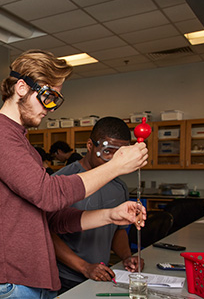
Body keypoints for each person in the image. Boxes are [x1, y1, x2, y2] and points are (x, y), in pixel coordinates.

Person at [0, 49, 148, 298]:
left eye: (56, 100)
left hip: (30, 281)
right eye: (47, 97)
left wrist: (110, 215)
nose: (50, 108)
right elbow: (48, 194)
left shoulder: (22, 144)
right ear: (21, 87)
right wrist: (115, 166)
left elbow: (53, 218)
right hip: (6, 283)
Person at [51, 117, 145, 294]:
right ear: (90, 145)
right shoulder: (62, 182)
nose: (113, 161)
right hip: (65, 278)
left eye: (119, 155)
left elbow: (118, 230)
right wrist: (84, 267)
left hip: (100, 275)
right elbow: (48, 235)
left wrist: (126, 257)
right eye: (107, 152)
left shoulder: (118, 187)